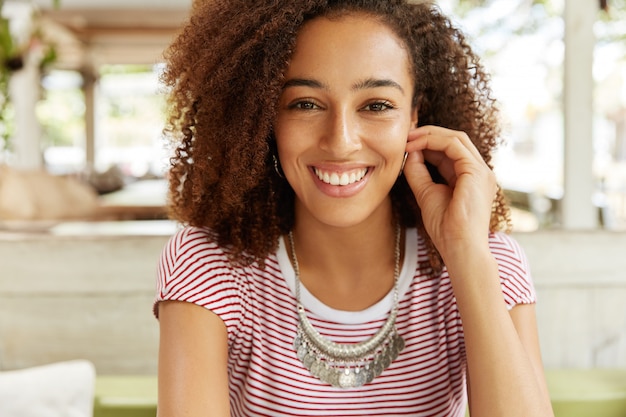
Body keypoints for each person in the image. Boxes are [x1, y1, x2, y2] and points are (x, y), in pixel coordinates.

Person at [154, 1, 554, 416]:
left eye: (376, 105)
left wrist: (467, 254)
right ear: (263, 120)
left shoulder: (489, 261)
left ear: (414, 119)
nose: (341, 141)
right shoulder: (207, 264)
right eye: (305, 103)